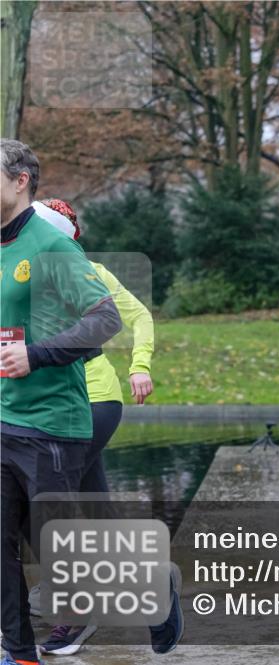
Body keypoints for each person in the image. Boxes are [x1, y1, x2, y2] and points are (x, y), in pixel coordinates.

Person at [26, 198, 181, 656]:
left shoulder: (88, 272)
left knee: (38, 499)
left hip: (92, 401)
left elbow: (139, 315)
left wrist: (140, 364)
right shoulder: (16, 273)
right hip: (47, 407)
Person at [0, 140, 124, 665]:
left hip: (52, 421)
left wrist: (36, 354)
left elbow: (106, 319)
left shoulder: (51, 246)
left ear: (20, 180)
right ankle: (18, 652)